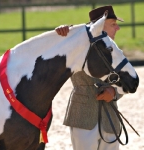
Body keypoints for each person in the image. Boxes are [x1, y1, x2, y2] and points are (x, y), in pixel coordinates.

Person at [55, 6, 124, 150]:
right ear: (99, 26)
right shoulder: (77, 45)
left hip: (110, 117)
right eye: (113, 24)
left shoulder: (116, 50)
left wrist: (113, 92)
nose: (117, 28)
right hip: (82, 116)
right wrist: (62, 33)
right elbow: (57, 49)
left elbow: (127, 81)